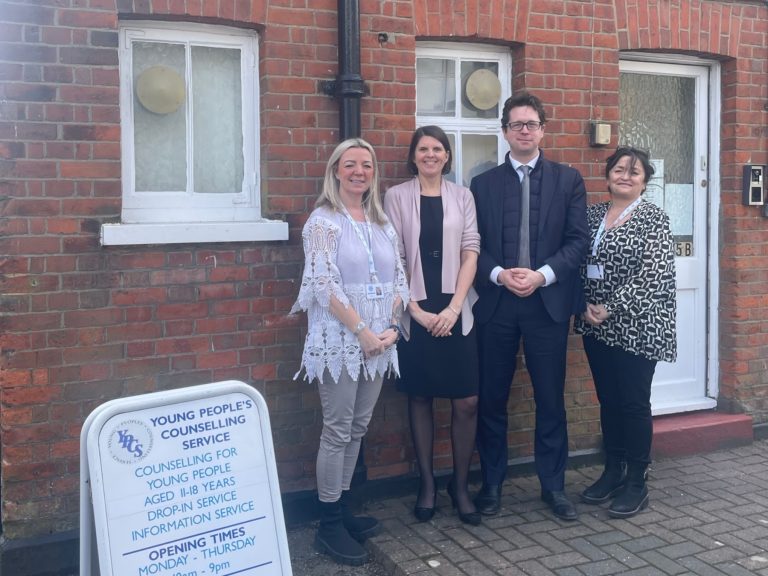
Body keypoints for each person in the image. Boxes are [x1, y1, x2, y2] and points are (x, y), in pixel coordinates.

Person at [470, 91, 589, 521]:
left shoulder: (568, 180)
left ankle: (553, 487)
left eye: (532, 124)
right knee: (492, 398)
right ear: (505, 131)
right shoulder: (482, 184)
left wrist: (542, 275)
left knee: (551, 399)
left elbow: (578, 241)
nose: (525, 131)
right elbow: (473, 245)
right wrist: (499, 274)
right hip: (497, 305)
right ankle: (492, 484)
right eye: (517, 124)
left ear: (543, 130)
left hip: (547, 306)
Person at [291, 138, 409, 565]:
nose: (359, 171)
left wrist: (391, 326)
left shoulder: (382, 222)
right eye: (351, 164)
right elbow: (324, 285)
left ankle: (342, 509)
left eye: (367, 165)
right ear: (336, 171)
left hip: (379, 341)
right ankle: (328, 525)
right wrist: (361, 331)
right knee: (338, 429)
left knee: (358, 427)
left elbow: (399, 277)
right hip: (341, 340)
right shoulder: (323, 222)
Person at [384, 126, 482, 526]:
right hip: (415, 308)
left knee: (467, 400)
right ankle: (427, 485)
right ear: (413, 156)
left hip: (456, 307)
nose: (430, 154)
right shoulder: (395, 196)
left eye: (437, 149)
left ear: (447, 156)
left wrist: (454, 308)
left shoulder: (463, 196)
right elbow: (391, 257)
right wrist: (416, 311)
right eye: (423, 149)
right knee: (420, 396)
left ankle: (460, 486)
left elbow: (471, 250)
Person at [574, 146, 676, 518]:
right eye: (619, 169)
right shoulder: (592, 215)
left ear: (644, 180)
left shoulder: (654, 218)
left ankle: (637, 480)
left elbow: (653, 274)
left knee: (633, 403)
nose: (625, 176)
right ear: (608, 175)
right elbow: (576, 261)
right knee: (609, 400)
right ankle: (613, 470)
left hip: (638, 325)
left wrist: (610, 307)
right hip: (596, 325)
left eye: (634, 172)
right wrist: (582, 304)